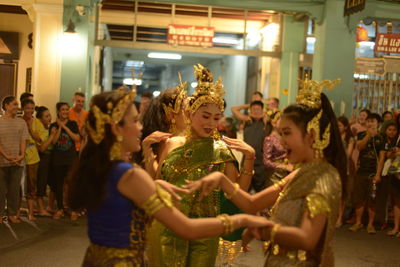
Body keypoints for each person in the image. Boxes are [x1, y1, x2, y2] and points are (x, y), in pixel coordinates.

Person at [67, 89, 269, 266]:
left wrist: (158, 186)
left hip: (96, 259)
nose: (140, 127)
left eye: (216, 118)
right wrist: (240, 220)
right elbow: (186, 228)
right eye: (135, 121)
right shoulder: (129, 174)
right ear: (116, 128)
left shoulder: (103, 168)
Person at [187, 78, 347, 267]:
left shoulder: (324, 177)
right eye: (280, 133)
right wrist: (222, 180)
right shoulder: (301, 173)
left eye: (287, 133)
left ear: (311, 135)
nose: (282, 141)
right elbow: (252, 203)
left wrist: (261, 228)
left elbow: (307, 238)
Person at [153, 65, 256, 267]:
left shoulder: (220, 150)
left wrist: (250, 157)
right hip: (169, 226)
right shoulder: (172, 144)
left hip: (205, 230)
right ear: (190, 114)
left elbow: (239, 192)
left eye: (216, 118)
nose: (211, 123)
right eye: (205, 116)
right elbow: (157, 182)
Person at [141, 84, 187, 178]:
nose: (190, 114)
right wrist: (146, 149)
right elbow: (158, 179)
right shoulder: (166, 141)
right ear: (171, 115)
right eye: (185, 110)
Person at [350, 113, 385, 234]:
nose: (370, 123)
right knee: (358, 198)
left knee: (372, 199)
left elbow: (381, 157)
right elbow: (359, 147)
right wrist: (368, 136)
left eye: (372, 121)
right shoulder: (361, 134)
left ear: (378, 123)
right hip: (361, 172)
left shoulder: (381, 137)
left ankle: (370, 224)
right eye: (368, 121)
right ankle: (358, 222)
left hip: (373, 173)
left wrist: (378, 174)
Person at [0, 96, 29, 223]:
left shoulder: (21, 122)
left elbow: (23, 139)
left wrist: (22, 154)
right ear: (6, 106)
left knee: (14, 189)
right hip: (2, 161)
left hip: (17, 161)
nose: (17, 107)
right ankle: (0, 214)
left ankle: (11, 214)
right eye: (14, 104)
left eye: (17, 104)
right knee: (0, 189)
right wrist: (6, 156)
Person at [50, 102, 80, 220]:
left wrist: (65, 127)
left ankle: (72, 209)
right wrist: (59, 127)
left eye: (67, 109)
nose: (65, 112)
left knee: (71, 183)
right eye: (63, 109)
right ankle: (60, 208)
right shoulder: (54, 125)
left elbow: (76, 138)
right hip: (58, 158)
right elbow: (54, 142)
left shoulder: (73, 124)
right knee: (59, 184)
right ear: (58, 111)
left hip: (70, 158)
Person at [232, 100, 269, 192]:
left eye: (258, 109)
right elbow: (234, 109)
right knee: (243, 189)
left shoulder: (266, 122)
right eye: (254, 109)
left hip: (260, 162)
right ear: (250, 111)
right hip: (246, 161)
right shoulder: (247, 121)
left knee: (261, 190)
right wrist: (249, 104)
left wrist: (265, 116)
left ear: (262, 111)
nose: (256, 111)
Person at [21, 99, 42, 221]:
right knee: (17, 185)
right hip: (19, 155)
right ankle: (15, 212)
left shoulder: (37, 122)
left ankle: (30, 213)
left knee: (31, 184)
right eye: (27, 108)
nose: (30, 110)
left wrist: (29, 128)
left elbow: (39, 139)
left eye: (32, 108)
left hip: (33, 157)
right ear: (23, 108)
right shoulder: (18, 120)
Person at [35, 106, 56, 217]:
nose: (49, 117)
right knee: (41, 182)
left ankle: (48, 206)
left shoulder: (49, 128)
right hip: (43, 158)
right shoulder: (40, 130)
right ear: (40, 119)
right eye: (46, 116)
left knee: (51, 182)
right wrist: (52, 135)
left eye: (49, 115)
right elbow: (42, 148)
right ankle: (40, 208)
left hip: (51, 158)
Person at [262, 112, 292, 187]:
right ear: (274, 123)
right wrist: (283, 166)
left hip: (287, 173)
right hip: (275, 175)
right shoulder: (269, 139)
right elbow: (266, 162)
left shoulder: (285, 137)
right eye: (281, 120)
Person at [336, 116, 355, 227]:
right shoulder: (334, 137)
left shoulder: (350, 139)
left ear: (346, 127)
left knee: (343, 194)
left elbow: (348, 154)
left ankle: (340, 218)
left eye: (340, 126)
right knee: (334, 194)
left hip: (344, 169)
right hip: (334, 167)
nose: (338, 127)